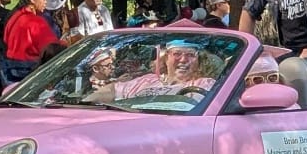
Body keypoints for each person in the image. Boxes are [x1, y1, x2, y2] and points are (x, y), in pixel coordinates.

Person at [86, 39, 216, 101]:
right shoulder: (147, 80)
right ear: (166, 58)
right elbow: (112, 89)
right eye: (177, 54)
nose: (183, 60)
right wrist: (86, 104)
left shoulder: (204, 84)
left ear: (198, 60)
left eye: (190, 55)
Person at [1, 0, 60, 82]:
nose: (46, 2)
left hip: (9, 69)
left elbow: (5, 40)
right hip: (30, 70)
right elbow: (51, 49)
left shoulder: (14, 17)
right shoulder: (36, 22)